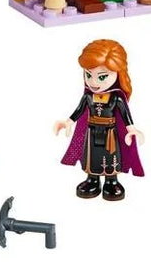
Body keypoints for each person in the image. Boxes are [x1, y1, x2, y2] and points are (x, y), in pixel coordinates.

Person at [53, 38, 145, 201]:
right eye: (88, 75)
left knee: (111, 157)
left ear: (118, 74)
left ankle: (111, 181)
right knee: (91, 155)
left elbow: (126, 116)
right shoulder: (88, 97)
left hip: (110, 134)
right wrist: (68, 122)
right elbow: (79, 110)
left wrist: (132, 130)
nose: (93, 82)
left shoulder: (116, 98)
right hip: (92, 132)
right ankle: (92, 180)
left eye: (102, 77)